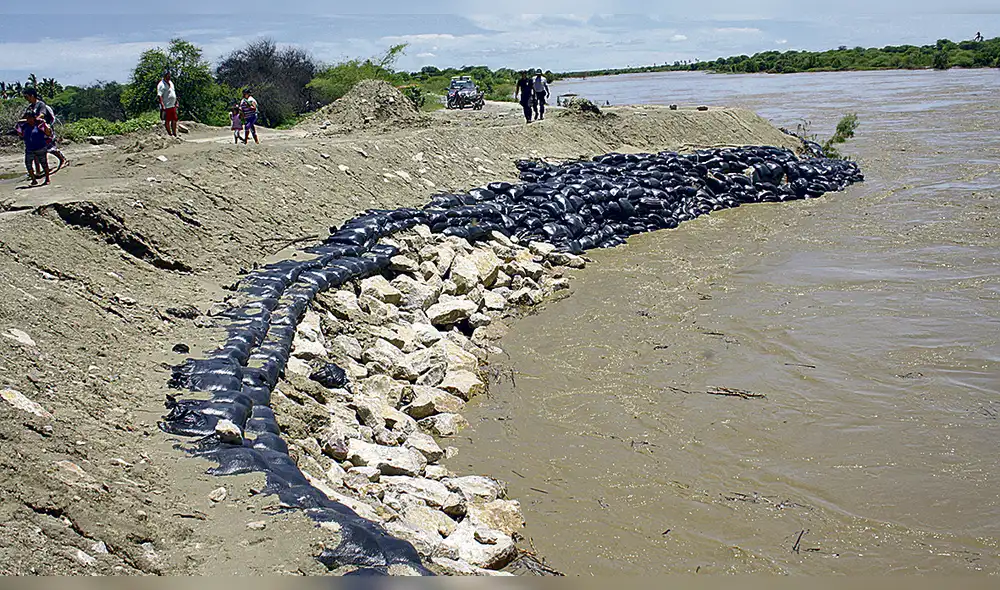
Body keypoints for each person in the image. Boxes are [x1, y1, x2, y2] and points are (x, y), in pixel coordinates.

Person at [22, 87, 66, 171]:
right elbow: (25, 117)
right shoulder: (30, 107)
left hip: (45, 130)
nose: (26, 99)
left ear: (32, 96)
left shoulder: (40, 104)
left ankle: (62, 159)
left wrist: (35, 120)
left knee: (50, 147)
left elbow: (42, 114)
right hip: (35, 132)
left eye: (27, 97)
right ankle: (39, 170)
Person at [16, 110, 52, 186]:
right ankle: (33, 180)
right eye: (27, 118)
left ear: (34, 117)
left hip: (40, 147)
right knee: (28, 164)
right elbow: (20, 133)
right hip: (29, 148)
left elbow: (48, 133)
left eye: (30, 118)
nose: (29, 120)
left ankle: (47, 179)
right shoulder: (24, 126)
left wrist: (44, 124)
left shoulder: (40, 124)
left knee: (44, 164)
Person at [157, 71, 179, 137]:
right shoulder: (161, 85)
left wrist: (176, 102)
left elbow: (173, 92)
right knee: (167, 120)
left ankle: (174, 133)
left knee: (174, 119)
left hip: (173, 105)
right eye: (168, 75)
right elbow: (159, 96)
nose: (169, 77)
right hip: (166, 106)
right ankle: (169, 134)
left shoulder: (171, 83)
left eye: (169, 75)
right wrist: (162, 105)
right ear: (164, 76)